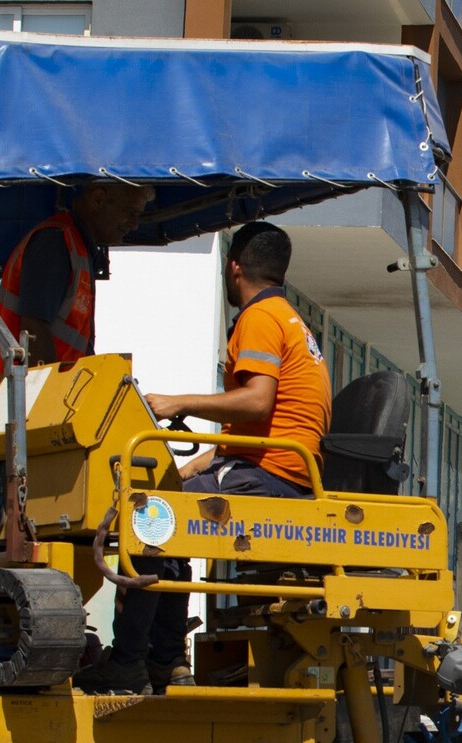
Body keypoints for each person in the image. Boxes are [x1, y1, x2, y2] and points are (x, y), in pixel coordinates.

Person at [74, 223, 332, 694]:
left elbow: (258, 401)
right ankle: (167, 661)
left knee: (149, 517)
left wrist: (179, 403)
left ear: (234, 267)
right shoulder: (291, 319)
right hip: (278, 467)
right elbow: (268, 424)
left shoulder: (259, 318)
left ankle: (132, 660)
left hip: (267, 472)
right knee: (170, 505)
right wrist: (202, 461)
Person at [0, 183, 153, 379]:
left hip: (36, 390)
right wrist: (50, 395)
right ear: (98, 199)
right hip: (20, 392)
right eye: (130, 212)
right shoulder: (56, 241)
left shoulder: (77, 247)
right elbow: (34, 328)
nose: (135, 224)